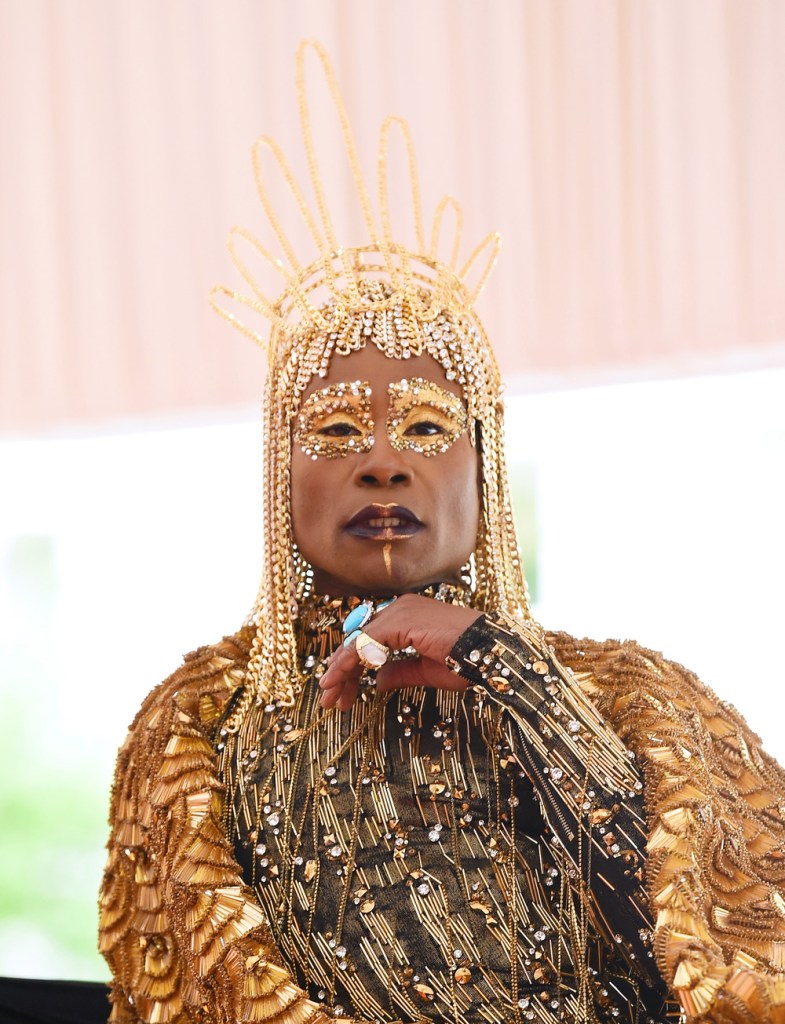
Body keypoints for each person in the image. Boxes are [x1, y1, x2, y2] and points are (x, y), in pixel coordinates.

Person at [99, 42, 785, 1024]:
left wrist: (508, 671)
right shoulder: (197, 725)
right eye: (335, 430)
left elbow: (702, 962)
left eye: (425, 426)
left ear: (483, 467)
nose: (383, 462)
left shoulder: (631, 696)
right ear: (276, 473)